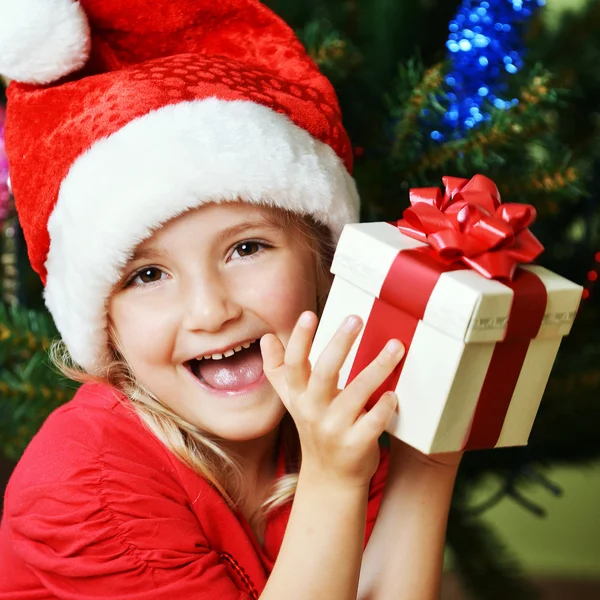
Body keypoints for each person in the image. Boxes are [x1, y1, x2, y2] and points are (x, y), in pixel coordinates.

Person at [0, 1, 462, 598]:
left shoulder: (328, 423)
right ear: (104, 323)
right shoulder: (86, 482)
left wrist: (427, 460)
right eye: (146, 276)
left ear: (323, 263)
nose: (211, 310)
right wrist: (332, 480)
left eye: (246, 249)